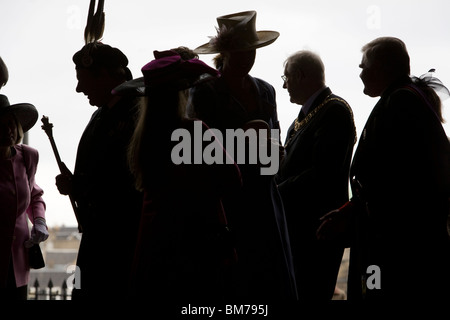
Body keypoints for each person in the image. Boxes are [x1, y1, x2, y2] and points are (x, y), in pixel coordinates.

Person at [317, 37, 450, 301]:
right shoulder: (406, 98)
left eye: (363, 66)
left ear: (382, 67)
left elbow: (388, 179)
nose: (360, 72)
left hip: (399, 246)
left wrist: (350, 213)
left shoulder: (401, 102)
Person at [115, 49, 242, 301]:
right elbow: (233, 179)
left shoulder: (144, 137)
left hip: (155, 244)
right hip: (199, 244)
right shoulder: (193, 131)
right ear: (180, 93)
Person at [188, 10, 297, 300]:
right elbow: (197, 151)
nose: (247, 57)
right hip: (227, 200)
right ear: (224, 52)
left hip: (264, 198)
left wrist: (276, 153)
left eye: (251, 51)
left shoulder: (266, 90)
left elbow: (274, 142)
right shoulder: (202, 91)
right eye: (240, 51)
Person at [55, 42, 142, 300]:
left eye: (83, 80)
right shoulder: (102, 113)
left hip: (121, 242)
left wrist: (81, 186)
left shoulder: (138, 115)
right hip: (99, 236)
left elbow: (125, 182)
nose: (79, 88)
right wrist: (76, 184)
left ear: (104, 76)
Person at [276, 50, 356, 300]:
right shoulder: (301, 119)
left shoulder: (335, 110)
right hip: (299, 230)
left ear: (300, 75)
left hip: (318, 231)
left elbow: (323, 173)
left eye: (286, 77)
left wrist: (276, 192)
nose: (283, 84)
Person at [0, 94, 48, 300]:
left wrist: (39, 221)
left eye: (10, 123)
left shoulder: (28, 156)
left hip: (19, 257)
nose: (8, 130)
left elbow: (34, 194)